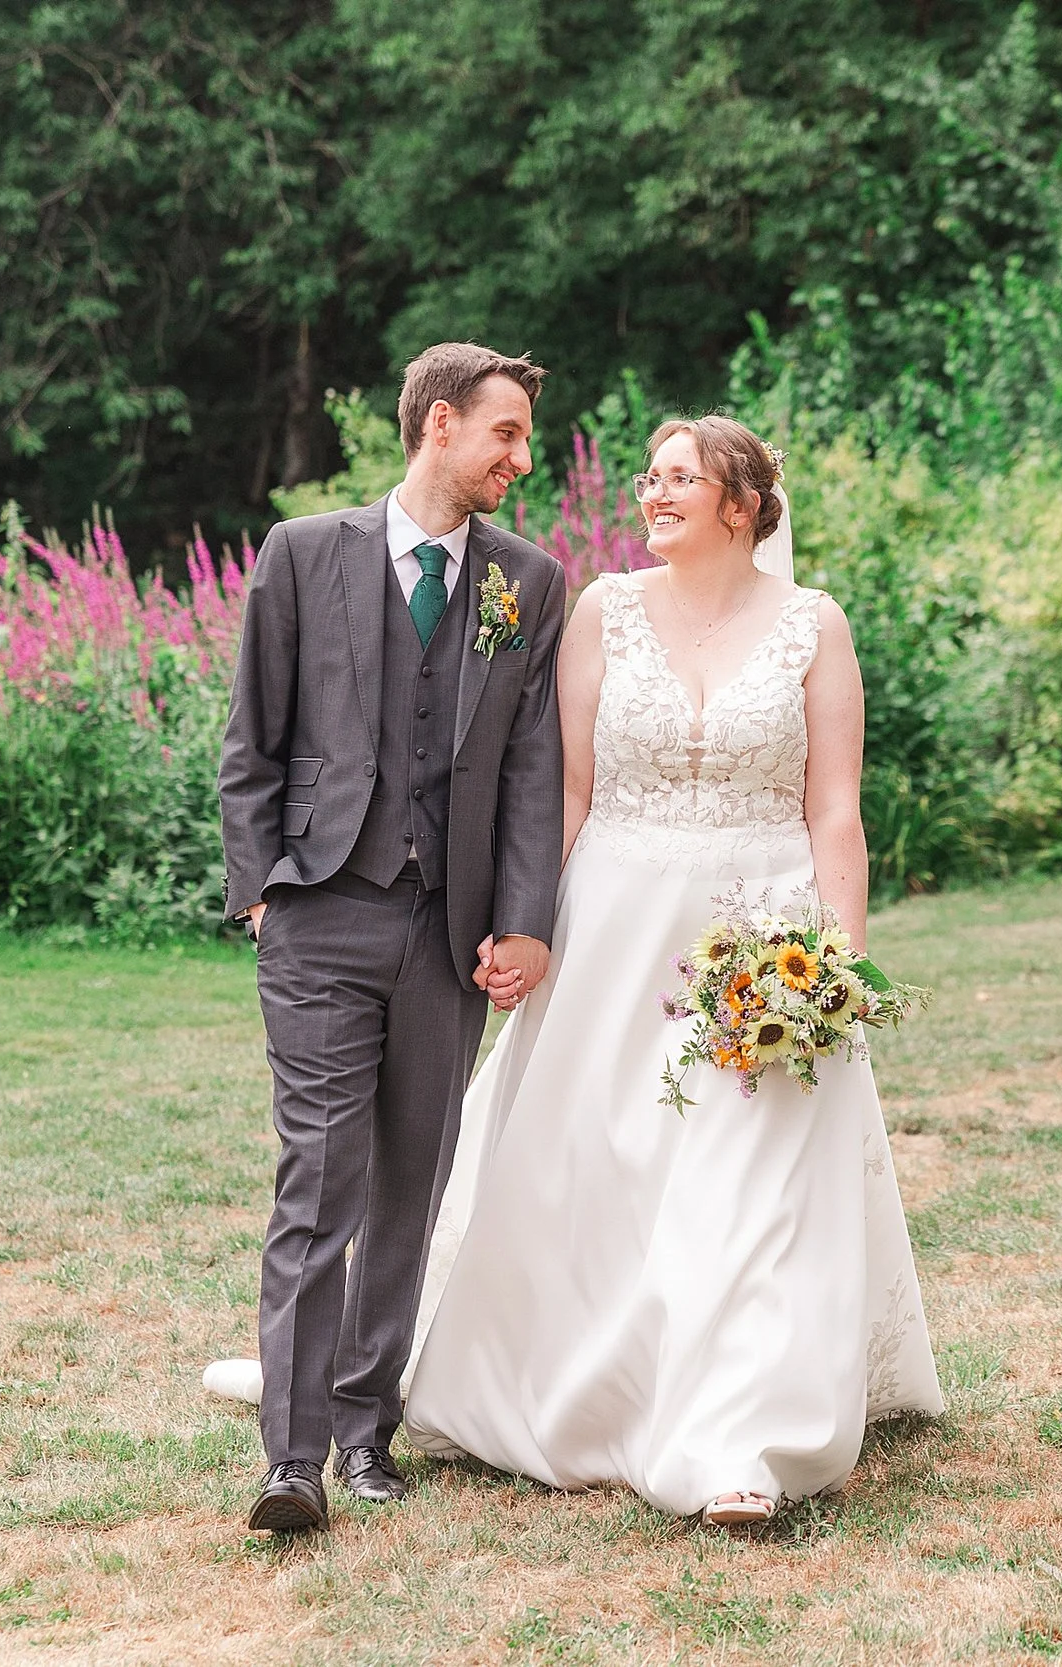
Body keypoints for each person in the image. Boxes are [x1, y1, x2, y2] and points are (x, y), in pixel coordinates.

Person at [399, 414, 942, 1524]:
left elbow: (834, 811)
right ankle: (594, 1388)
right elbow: (567, 790)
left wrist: (838, 968)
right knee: (605, 1162)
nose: (651, 493)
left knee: (749, 1182)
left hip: (762, 934)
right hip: (614, 927)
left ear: (741, 503)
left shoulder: (813, 624)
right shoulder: (604, 610)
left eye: (679, 479)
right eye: (648, 477)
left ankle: (734, 1440)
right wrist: (523, 921)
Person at [216, 342, 568, 1535]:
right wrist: (262, 890)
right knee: (319, 1178)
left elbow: (531, 769)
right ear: (439, 424)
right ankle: (293, 1457)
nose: (522, 460)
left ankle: (367, 1430)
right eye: (506, 434)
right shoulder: (303, 553)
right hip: (319, 911)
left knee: (409, 1184)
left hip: (447, 933)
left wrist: (523, 920)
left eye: (526, 439)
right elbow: (252, 741)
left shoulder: (528, 581)